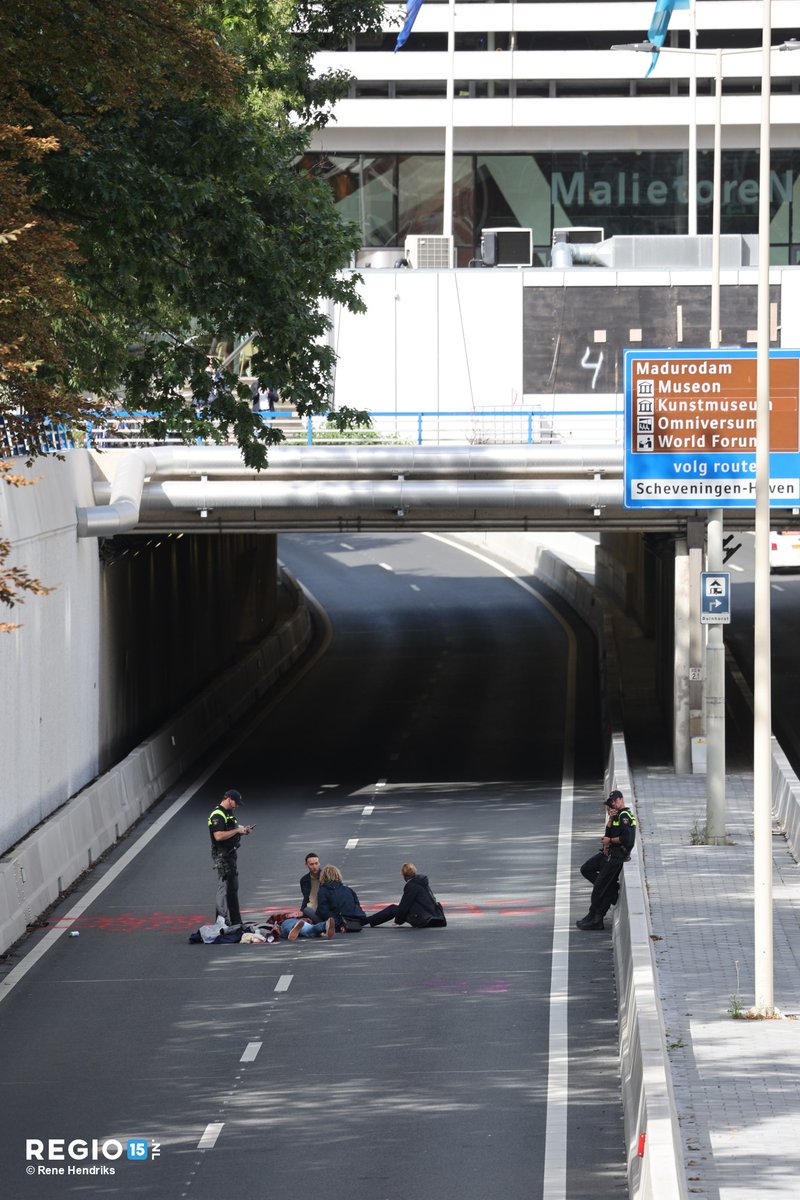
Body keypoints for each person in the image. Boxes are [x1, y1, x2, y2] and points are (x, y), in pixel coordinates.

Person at [576, 789, 637, 931]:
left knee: (599, 887)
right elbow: (608, 834)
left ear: (621, 800)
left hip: (617, 857)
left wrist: (610, 840)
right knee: (586, 869)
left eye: (615, 802)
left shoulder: (624, 816)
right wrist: (610, 819)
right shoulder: (616, 817)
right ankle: (612, 890)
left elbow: (627, 840)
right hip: (609, 853)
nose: (612, 805)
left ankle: (596, 918)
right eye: (610, 804)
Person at [208, 788, 254, 927]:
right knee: (227, 888)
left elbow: (230, 830)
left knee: (232, 888)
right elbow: (218, 836)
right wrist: (237, 830)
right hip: (223, 855)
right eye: (236, 802)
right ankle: (224, 921)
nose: (238, 805)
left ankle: (232, 921)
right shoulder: (217, 814)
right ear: (228, 799)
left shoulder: (228, 814)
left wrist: (242, 831)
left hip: (231, 854)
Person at [365, 863, 447, 928]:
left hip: (425, 920)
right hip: (437, 918)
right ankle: (367, 921)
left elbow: (404, 905)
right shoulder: (422, 882)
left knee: (393, 909)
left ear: (404, 875)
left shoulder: (411, 885)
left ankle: (364, 921)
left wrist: (398, 921)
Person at [315, 865, 369, 932]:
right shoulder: (348, 889)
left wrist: (338, 923)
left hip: (337, 920)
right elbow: (357, 905)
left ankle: (319, 927)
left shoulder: (323, 890)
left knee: (308, 911)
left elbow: (323, 910)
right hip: (353, 919)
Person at [299, 852, 322, 922]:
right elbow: (306, 898)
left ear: (319, 863)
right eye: (311, 864)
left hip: (324, 909)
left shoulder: (327, 876)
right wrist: (301, 911)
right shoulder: (304, 880)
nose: (314, 867)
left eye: (316, 863)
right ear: (306, 865)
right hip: (310, 910)